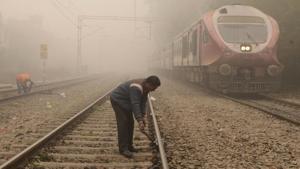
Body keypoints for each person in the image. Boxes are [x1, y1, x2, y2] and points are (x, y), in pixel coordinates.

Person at [110, 75, 161, 158]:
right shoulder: (136, 87)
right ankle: (123, 149)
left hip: (126, 101)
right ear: (149, 84)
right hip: (118, 100)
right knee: (123, 123)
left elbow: (143, 102)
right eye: (154, 87)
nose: (154, 89)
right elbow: (135, 103)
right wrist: (139, 120)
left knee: (130, 123)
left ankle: (129, 146)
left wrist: (143, 116)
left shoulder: (146, 87)